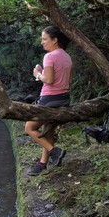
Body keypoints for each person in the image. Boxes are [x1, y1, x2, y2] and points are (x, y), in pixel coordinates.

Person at [25, 26, 73, 176]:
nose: (42, 42)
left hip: (49, 100)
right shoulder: (67, 56)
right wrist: (43, 72)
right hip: (64, 99)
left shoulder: (49, 56)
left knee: (29, 128)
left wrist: (38, 74)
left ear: (55, 40)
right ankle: (42, 164)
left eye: (45, 39)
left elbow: (50, 80)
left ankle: (55, 152)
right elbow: (67, 81)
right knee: (48, 130)